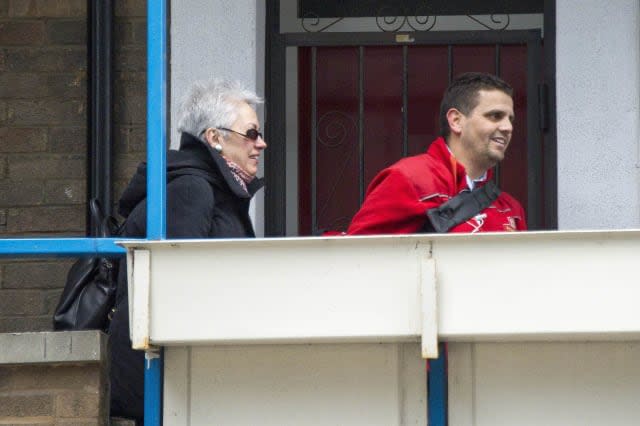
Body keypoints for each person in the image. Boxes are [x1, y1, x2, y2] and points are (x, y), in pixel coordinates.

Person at [108, 79, 267, 423]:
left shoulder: (212, 189)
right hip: (172, 382)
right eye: (251, 133)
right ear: (214, 138)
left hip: (190, 378)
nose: (261, 143)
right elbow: (180, 287)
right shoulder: (192, 189)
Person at [347, 72, 527, 235]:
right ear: (456, 121)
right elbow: (358, 258)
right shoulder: (409, 179)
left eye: (510, 119)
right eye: (495, 116)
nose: (507, 127)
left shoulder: (511, 208)